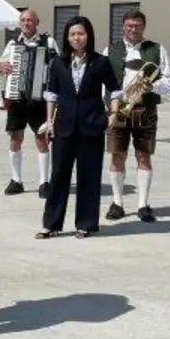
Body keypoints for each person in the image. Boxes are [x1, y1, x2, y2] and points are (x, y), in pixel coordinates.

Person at [37, 15, 122, 239]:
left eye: (81, 33)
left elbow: (114, 90)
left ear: (88, 36)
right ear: (67, 37)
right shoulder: (58, 63)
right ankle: (51, 224)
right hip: (63, 127)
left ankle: (86, 224)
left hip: (92, 125)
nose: (77, 38)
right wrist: (50, 122)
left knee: (89, 177)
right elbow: (51, 94)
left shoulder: (100, 62)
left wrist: (113, 115)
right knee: (58, 176)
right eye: (73, 34)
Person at [101, 8, 170, 223]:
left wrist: (150, 86)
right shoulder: (110, 50)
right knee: (117, 155)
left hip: (146, 110)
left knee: (144, 155)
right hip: (118, 109)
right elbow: (102, 82)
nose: (133, 29)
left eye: (137, 26)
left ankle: (143, 204)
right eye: (129, 26)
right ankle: (117, 203)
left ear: (144, 26)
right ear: (123, 26)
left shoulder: (157, 49)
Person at [0, 8, 59, 197]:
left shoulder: (49, 42)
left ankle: (44, 182)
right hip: (18, 99)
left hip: (40, 99)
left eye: (30, 20)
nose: (26, 23)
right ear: (19, 23)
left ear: (37, 22)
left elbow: (59, 66)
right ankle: (16, 180)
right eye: (23, 20)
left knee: (42, 140)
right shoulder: (12, 44)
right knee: (15, 139)